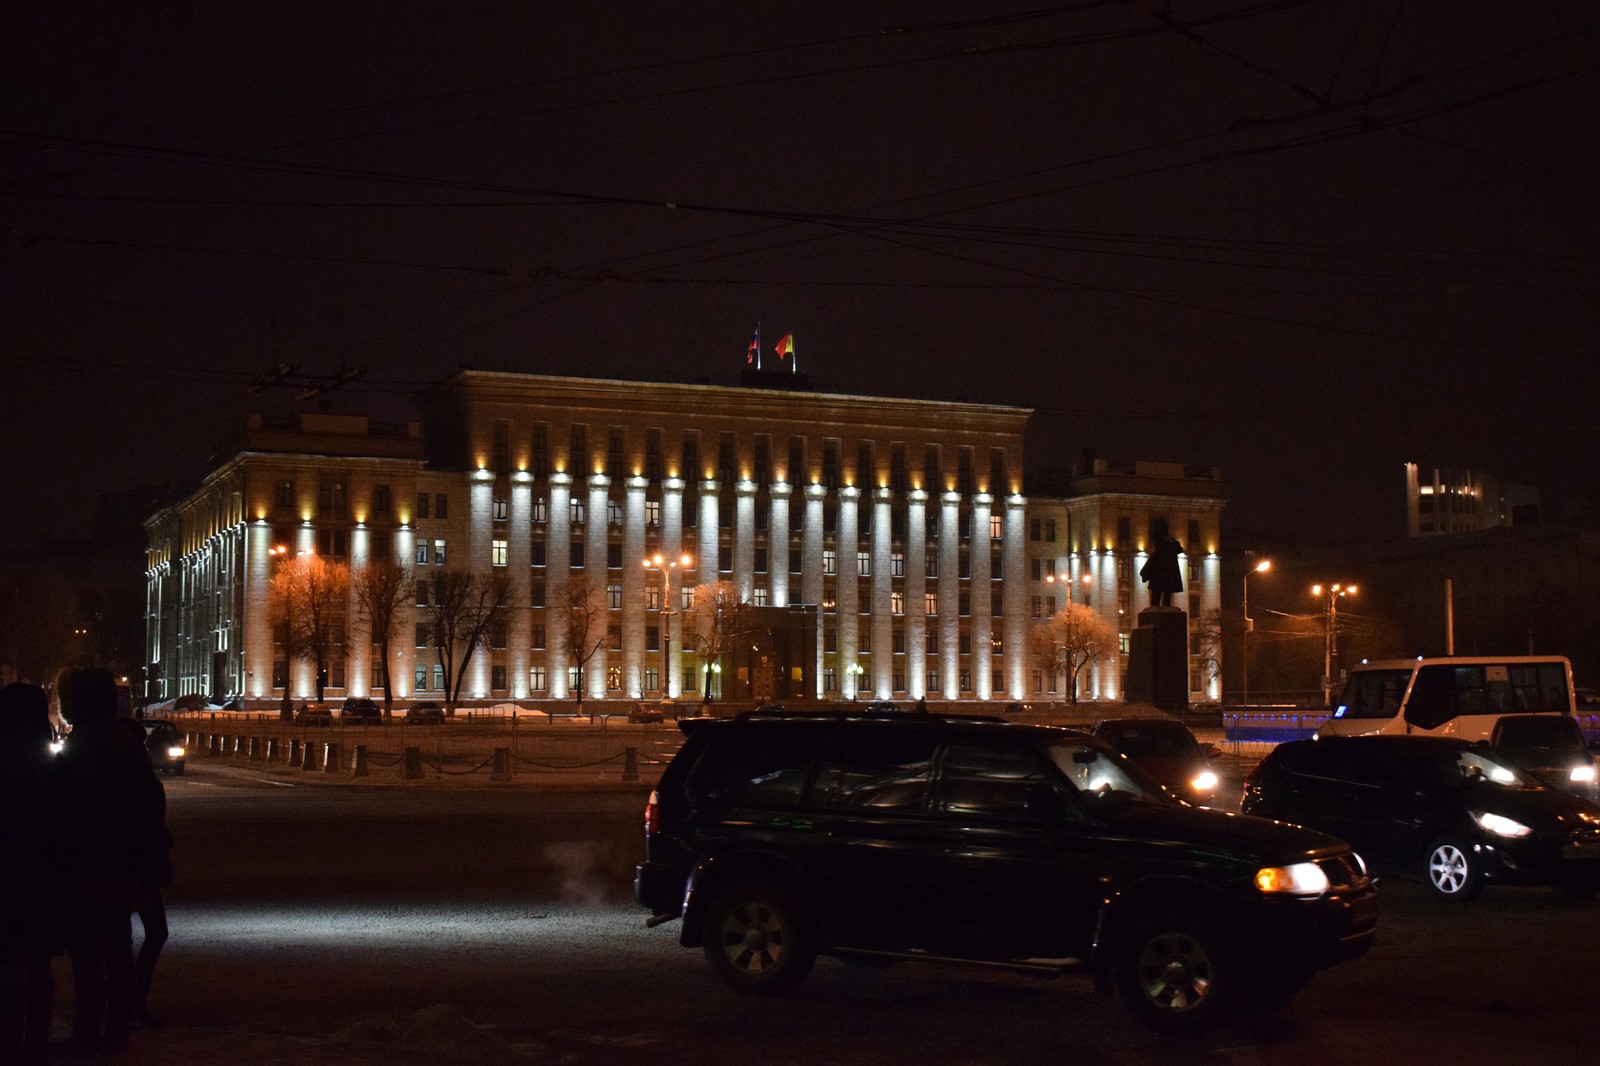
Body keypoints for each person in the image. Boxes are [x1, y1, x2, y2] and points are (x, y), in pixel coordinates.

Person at [54, 668, 166, 1059]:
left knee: (88, 955)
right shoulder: (126, 747)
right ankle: (116, 1028)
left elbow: (66, 812)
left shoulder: (83, 748)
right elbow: (151, 804)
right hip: (121, 866)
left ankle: (90, 1028)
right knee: (115, 948)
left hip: (88, 866)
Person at [0, 682, 67, 1066]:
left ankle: (9, 1042)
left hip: (9, 880)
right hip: (42, 882)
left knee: (8, 965)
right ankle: (36, 1045)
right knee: (38, 967)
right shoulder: (50, 766)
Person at [116, 719, 172, 1029]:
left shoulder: (121, 775)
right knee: (151, 932)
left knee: (126, 934)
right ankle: (131, 1002)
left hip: (128, 866)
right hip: (138, 868)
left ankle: (123, 1003)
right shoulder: (140, 778)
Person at [1138, 521, 1185, 608]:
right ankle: (1164, 607)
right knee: (1166, 594)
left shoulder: (1160, 543)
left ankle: (1155, 607)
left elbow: (1153, 558)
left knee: (1157, 594)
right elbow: (1180, 549)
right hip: (1168, 573)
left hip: (1159, 573)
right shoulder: (1172, 543)